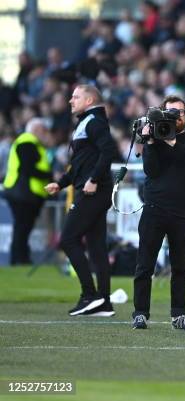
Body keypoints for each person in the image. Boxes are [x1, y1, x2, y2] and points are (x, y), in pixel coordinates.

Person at [132, 95, 185, 330]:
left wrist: (172, 142)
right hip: (154, 209)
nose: (175, 117)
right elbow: (151, 170)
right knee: (145, 265)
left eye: (180, 113)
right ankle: (140, 314)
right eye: (170, 113)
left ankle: (179, 315)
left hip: (183, 213)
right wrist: (151, 141)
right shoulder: (154, 141)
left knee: (180, 267)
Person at [44, 84, 117, 317]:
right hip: (92, 190)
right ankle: (104, 302)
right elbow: (79, 163)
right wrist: (62, 183)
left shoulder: (94, 122)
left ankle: (89, 295)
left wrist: (94, 179)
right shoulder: (87, 122)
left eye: (75, 97)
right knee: (96, 247)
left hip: (93, 191)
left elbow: (109, 151)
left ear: (89, 100)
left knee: (68, 239)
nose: (70, 100)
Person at [4, 118, 52, 265]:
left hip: (24, 193)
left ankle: (20, 258)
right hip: (22, 192)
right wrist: (49, 176)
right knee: (22, 227)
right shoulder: (27, 143)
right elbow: (28, 169)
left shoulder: (32, 144)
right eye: (44, 131)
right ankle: (20, 259)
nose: (46, 134)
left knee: (23, 227)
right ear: (37, 130)